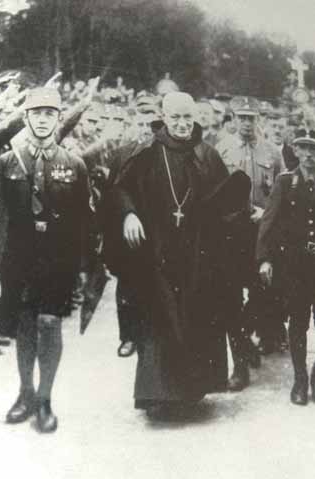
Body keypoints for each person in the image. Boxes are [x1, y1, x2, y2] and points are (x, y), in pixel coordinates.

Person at [111, 91, 245, 418]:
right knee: (159, 318)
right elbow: (120, 187)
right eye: (175, 118)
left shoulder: (207, 154)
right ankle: (157, 395)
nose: (182, 124)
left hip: (198, 252)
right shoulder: (147, 152)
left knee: (195, 316)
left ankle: (190, 393)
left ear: (195, 118)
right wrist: (128, 214)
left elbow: (225, 202)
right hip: (156, 249)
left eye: (187, 117)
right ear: (164, 118)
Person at [0, 87, 92, 432]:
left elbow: (84, 222)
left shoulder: (73, 164)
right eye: (36, 114)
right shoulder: (8, 162)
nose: (43, 120)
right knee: (25, 323)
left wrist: (85, 266)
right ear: (26, 118)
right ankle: (25, 392)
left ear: (58, 119)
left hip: (58, 257)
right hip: (19, 256)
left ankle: (45, 399)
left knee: (49, 322)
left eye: (49, 114)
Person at [217, 96, 282, 389]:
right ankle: (240, 365)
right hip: (231, 235)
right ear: (233, 119)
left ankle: (248, 339)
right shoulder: (222, 150)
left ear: (259, 120)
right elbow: (215, 193)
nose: (246, 123)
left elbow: (281, 194)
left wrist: (265, 214)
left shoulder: (273, 152)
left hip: (261, 234)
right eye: (241, 117)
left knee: (262, 294)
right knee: (230, 297)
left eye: (251, 118)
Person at [257, 128, 315, 405]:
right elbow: (268, 221)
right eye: (304, 148)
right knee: (298, 322)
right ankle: (300, 380)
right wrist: (265, 258)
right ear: (296, 151)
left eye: (314, 149)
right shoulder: (285, 182)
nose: (309, 154)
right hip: (296, 266)